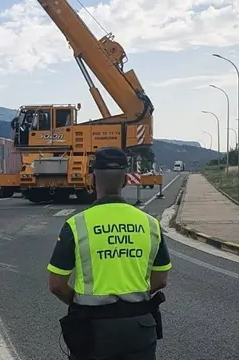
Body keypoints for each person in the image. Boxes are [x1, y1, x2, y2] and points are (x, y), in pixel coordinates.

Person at [46, 147, 172, 360]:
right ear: (125, 180)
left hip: (92, 330)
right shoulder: (151, 224)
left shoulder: (76, 225)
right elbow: (160, 280)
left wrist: (80, 303)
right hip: (139, 327)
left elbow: (56, 285)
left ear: (93, 179)